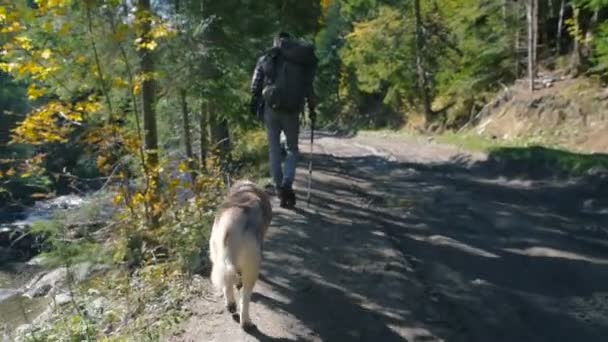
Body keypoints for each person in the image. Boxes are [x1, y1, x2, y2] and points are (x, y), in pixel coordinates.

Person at [249, 32, 317, 209]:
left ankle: (279, 187)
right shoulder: (299, 61)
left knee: (274, 150)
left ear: (277, 42)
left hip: (271, 108)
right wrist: (312, 108)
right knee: (293, 150)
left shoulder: (268, 57)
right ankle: (287, 182)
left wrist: (255, 104)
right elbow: (308, 87)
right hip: (292, 110)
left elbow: (255, 85)